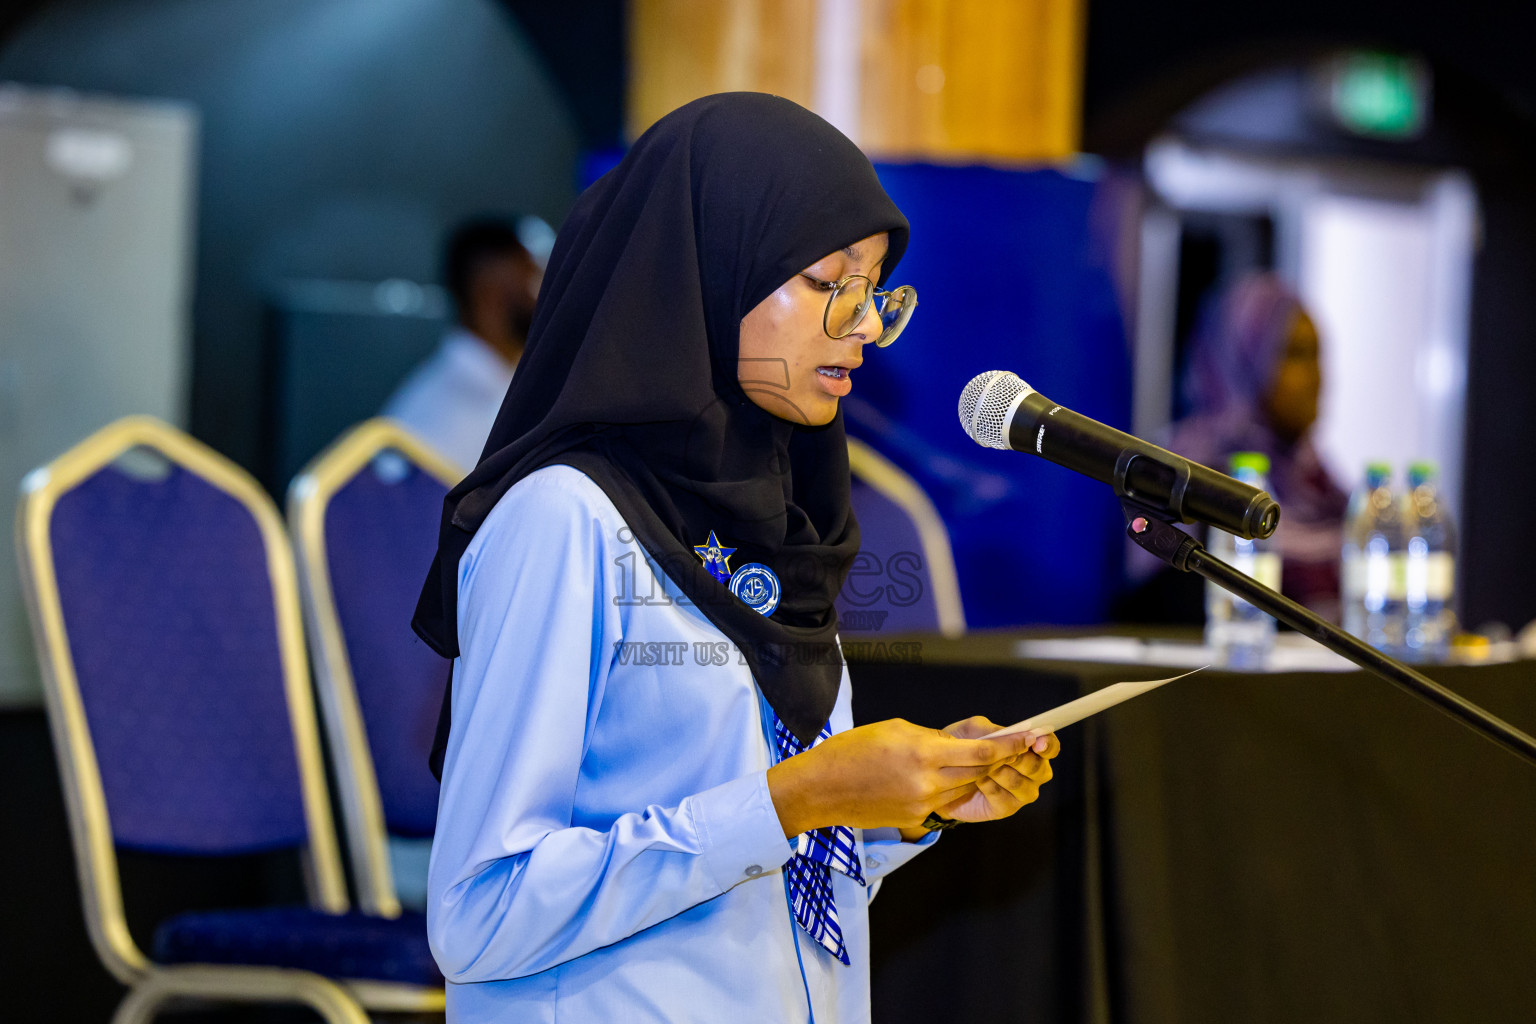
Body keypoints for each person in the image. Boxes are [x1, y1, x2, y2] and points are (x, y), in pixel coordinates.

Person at [412, 93, 1060, 1022]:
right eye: (829, 278)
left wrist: (905, 807)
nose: (866, 322)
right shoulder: (564, 521)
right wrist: (796, 799)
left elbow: (752, 879)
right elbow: (480, 913)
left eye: (875, 286)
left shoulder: (789, 517)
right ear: (707, 273)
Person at [1166, 271, 1350, 619]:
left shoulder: (1323, 488)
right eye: (1295, 355)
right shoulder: (1195, 478)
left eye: (1317, 354)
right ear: (1246, 358)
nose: (1317, 376)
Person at [382, 216, 542, 469]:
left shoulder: (506, 387)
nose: (550, 297)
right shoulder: (439, 414)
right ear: (489, 294)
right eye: (535, 280)